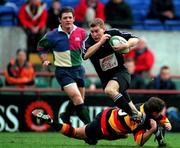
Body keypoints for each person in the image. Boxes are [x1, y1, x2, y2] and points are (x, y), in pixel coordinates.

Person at [32, 97, 172, 147]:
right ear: (153, 112)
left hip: (110, 115)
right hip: (103, 127)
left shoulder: (143, 106)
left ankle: (90, 139)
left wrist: (166, 122)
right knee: (76, 133)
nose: (162, 115)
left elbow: (155, 117)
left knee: (123, 135)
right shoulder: (137, 121)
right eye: (160, 113)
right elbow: (140, 142)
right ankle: (51, 121)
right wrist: (153, 130)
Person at [37, 7, 90, 125]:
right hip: (63, 71)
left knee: (80, 99)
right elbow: (41, 48)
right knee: (77, 97)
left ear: (74, 19)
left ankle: (66, 115)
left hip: (79, 70)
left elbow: (89, 47)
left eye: (70, 17)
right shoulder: (51, 35)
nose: (68, 20)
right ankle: (90, 128)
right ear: (59, 20)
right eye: (65, 18)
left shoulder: (81, 32)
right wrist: (44, 60)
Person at [83, 18, 142, 121]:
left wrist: (127, 44)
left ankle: (132, 114)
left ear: (104, 29)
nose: (94, 34)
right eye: (92, 32)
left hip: (121, 73)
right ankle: (151, 124)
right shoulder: (88, 41)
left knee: (109, 90)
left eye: (97, 31)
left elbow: (136, 39)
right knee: (137, 113)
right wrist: (101, 42)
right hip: (106, 79)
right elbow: (85, 55)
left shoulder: (113, 33)